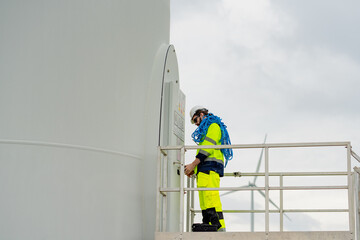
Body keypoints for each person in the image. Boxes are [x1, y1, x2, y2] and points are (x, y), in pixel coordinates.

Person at [185, 106, 232, 232]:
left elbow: (207, 149)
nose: (195, 124)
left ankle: (219, 227)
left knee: (211, 198)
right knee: (205, 201)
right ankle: (208, 225)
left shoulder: (213, 126)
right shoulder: (207, 130)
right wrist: (192, 169)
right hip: (204, 171)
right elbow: (204, 154)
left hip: (211, 169)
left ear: (201, 114)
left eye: (195, 120)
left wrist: (193, 165)